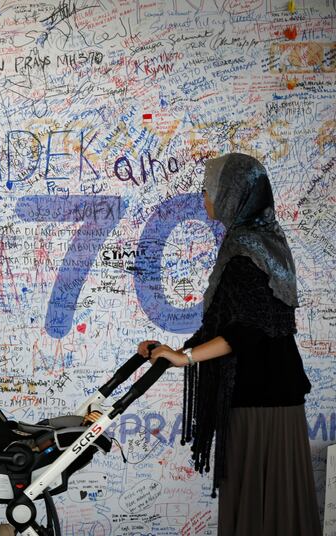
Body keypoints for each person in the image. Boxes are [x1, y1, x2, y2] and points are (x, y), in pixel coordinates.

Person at [137, 153, 320, 535]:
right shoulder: (257, 243)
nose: (205, 198)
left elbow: (247, 332)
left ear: (234, 194)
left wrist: (185, 357)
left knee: (262, 508)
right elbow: (230, 325)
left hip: (262, 402)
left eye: (210, 190)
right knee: (266, 508)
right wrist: (167, 352)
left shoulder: (245, 251)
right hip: (267, 395)